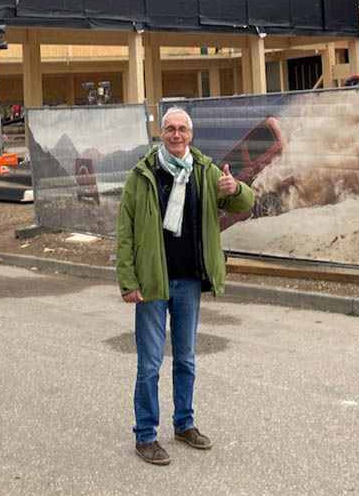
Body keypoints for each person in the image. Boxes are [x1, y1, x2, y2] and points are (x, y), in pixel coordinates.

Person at [116, 106, 254, 466]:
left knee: (186, 360)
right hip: (151, 283)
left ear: (191, 135)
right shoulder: (142, 175)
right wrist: (127, 280)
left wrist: (235, 187)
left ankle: (184, 424)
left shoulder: (206, 172)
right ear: (161, 133)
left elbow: (245, 202)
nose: (176, 135)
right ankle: (145, 435)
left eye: (182, 129)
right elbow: (125, 231)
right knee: (148, 364)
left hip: (190, 282)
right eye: (170, 129)